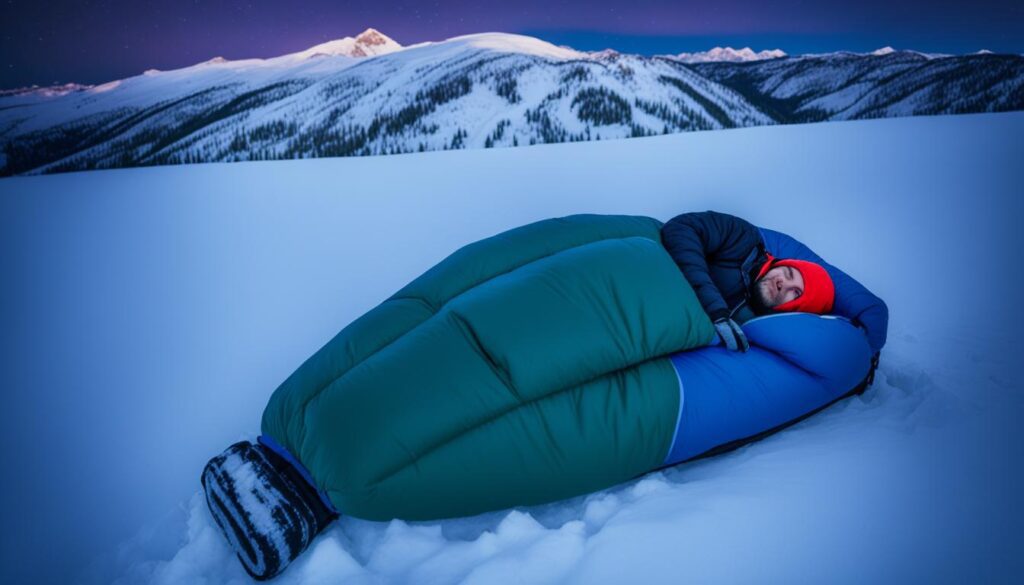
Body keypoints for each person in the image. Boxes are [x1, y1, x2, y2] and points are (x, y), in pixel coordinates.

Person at [660, 209, 887, 385]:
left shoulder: (755, 325)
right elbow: (682, 228)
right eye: (788, 273)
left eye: (794, 292)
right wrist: (715, 310)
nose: (783, 282)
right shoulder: (742, 241)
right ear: (778, 264)